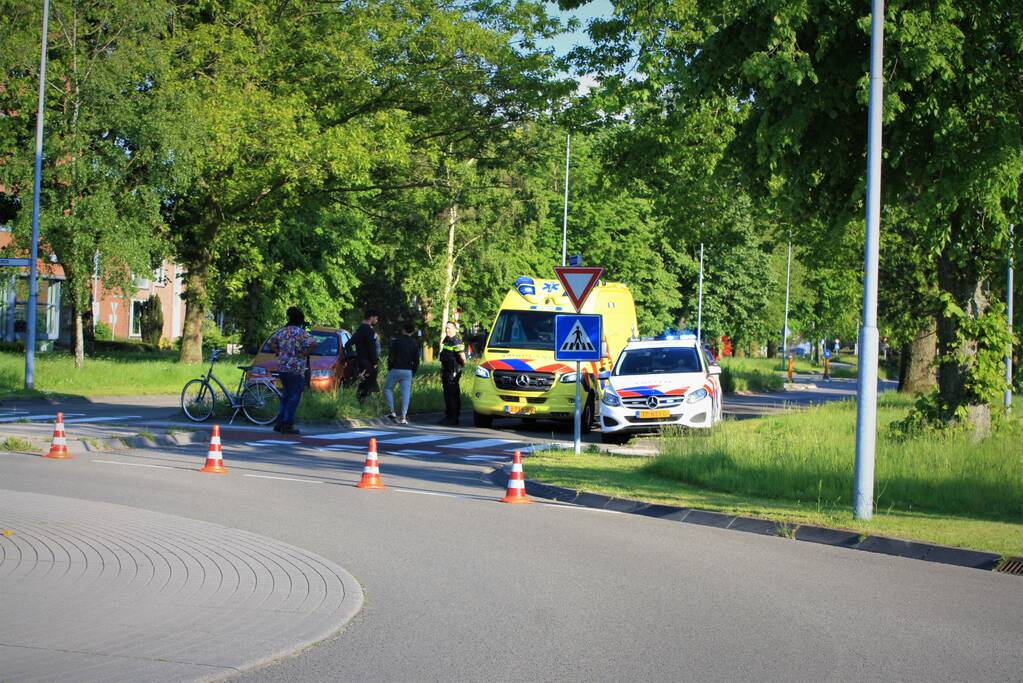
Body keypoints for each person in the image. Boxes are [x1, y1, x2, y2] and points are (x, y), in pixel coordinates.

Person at [267, 306, 316, 434]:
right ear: (300, 320)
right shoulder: (301, 333)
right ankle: (287, 423)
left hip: (282, 367)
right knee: (294, 396)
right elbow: (313, 344)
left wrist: (279, 351)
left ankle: (279, 421)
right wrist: (304, 354)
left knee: (285, 395)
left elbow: (271, 343)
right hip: (296, 368)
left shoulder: (282, 332)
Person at [384, 322, 419, 424]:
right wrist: (413, 371)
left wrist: (390, 367)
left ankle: (392, 411)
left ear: (403, 330)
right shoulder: (414, 343)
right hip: (408, 371)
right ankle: (403, 417)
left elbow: (391, 356)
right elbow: (416, 360)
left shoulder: (396, 341)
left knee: (388, 389)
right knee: (406, 394)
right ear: (412, 332)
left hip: (396, 369)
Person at [438, 321, 467, 426]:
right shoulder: (447, 340)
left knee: (452, 396)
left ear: (455, 329)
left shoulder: (456, 341)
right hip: (446, 371)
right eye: (446, 328)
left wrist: (458, 369)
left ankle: (454, 418)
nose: (447, 330)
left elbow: (462, 358)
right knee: (447, 395)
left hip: (453, 372)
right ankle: (448, 416)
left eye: (449, 328)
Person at [350, 309, 380, 401]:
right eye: (376, 318)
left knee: (363, 383)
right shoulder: (369, 332)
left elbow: (348, 344)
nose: (377, 321)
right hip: (368, 362)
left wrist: (352, 355)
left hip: (360, 361)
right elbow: (372, 348)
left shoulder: (359, 330)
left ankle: (361, 401)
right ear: (371, 317)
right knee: (369, 384)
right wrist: (375, 362)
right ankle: (364, 401)